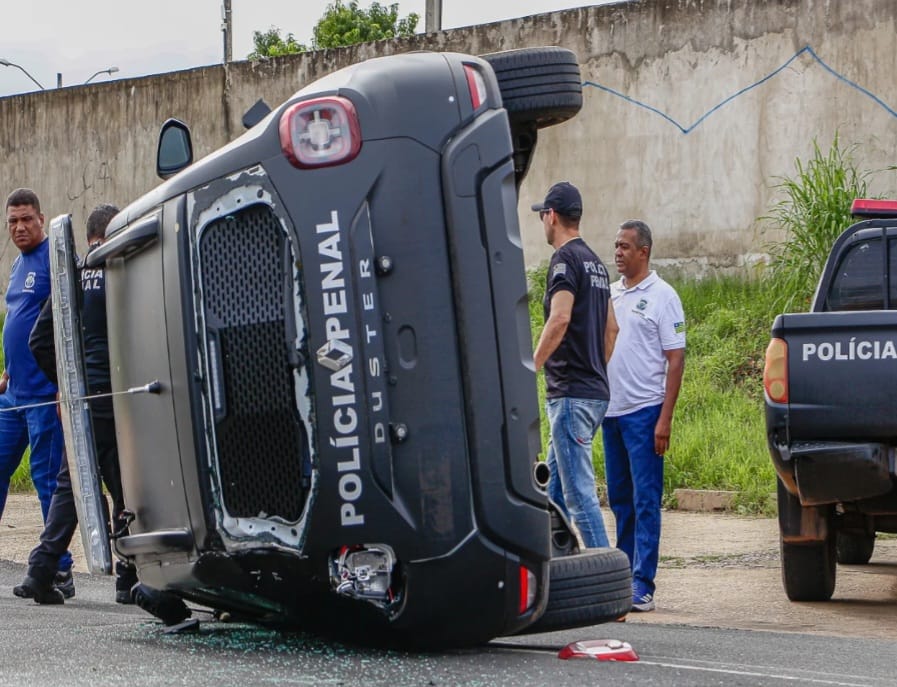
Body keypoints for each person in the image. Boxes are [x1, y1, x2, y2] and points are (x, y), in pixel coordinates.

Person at [12, 204, 190, 625]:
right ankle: (125, 577)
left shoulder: (70, 275)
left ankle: (44, 570)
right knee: (124, 485)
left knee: (72, 484)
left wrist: (68, 383)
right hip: (117, 397)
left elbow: (40, 339)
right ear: (112, 233)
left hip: (83, 400)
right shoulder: (121, 272)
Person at [602, 219, 686, 613]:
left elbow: (676, 359)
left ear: (644, 251)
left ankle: (643, 583)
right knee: (620, 498)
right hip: (612, 413)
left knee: (646, 498)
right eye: (616, 246)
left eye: (625, 246)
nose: (618, 252)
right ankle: (622, 576)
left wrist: (664, 419)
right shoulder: (611, 294)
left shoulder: (663, 296)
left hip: (645, 412)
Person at [532, 181, 618, 549]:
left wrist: (530, 366)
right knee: (549, 492)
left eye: (542, 215)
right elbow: (612, 328)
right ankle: (553, 571)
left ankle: (606, 586)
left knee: (579, 497)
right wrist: (594, 366)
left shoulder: (564, 260)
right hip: (594, 393)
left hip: (570, 396)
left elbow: (560, 319)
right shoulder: (596, 263)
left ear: (551, 216)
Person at [0, 188, 73, 595]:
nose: (20, 227)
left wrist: (64, 385)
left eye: (26, 218)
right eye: (12, 221)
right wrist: (7, 372)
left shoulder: (56, 260)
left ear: (41, 220)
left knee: (48, 482)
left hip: (46, 396)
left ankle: (58, 569)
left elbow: (65, 324)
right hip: (12, 397)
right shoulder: (16, 264)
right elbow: (20, 319)